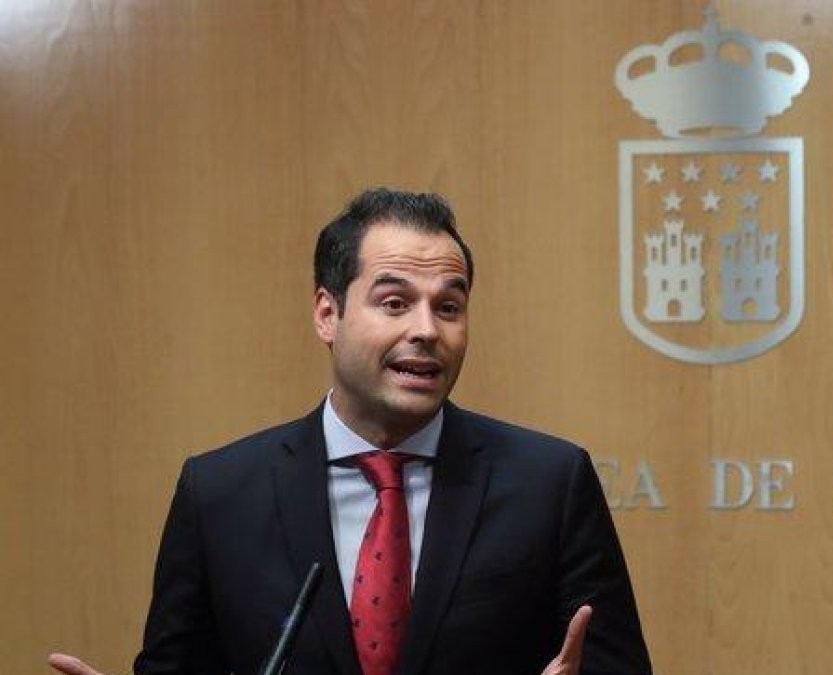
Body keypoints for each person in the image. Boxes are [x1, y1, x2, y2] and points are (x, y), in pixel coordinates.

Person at [48, 189, 652, 675]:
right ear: (327, 314)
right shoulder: (220, 493)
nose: (426, 330)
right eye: (394, 303)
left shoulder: (549, 482)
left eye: (448, 307)